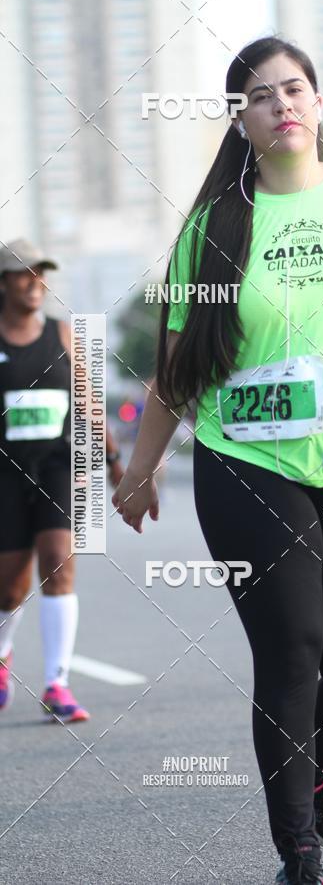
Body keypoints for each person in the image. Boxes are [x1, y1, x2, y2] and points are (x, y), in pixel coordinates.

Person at [112, 36, 323, 885]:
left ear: (318, 104)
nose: (282, 104)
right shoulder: (214, 226)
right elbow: (176, 369)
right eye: (261, 96)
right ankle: (298, 849)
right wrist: (141, 469)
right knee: (294, 650)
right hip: (243, 460)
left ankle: (317, 768)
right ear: (242, 119)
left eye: (294, 89)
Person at [0, 238, 124, 722]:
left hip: (57, 467)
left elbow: (90, 402)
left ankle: (57, 683)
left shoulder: (65, 335)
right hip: (6, 472)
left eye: (41, 272)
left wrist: (114, 461)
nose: (35, 281)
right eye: (23, 272)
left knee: (58, 562)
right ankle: (4, 653)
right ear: (4, 283)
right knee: (9, 588)